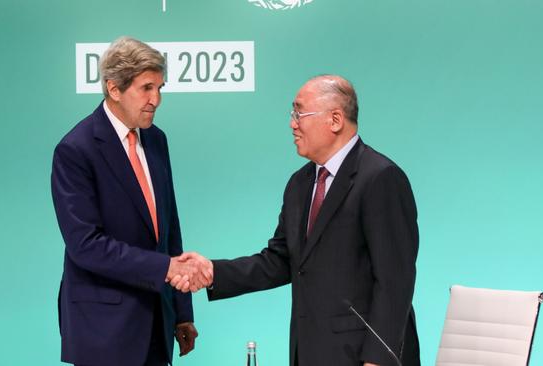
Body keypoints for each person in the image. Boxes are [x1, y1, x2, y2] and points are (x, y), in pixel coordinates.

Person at [176, 75, 420, 366]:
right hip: (310, 352)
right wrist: (212, 272)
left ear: (335, 120)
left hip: (364, 357)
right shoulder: (300, 183)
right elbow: (279, 261)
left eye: (299, 113)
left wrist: (378, 360)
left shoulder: (380, 178)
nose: (293, 123)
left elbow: (395, 281)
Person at [51, 36, 210, 366]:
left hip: (156, 323)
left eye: (160, 88)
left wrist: (181, 311)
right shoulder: (76, 150)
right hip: (103, 331)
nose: (157, 99)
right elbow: (86, 245)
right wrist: (165, 268)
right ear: (113, 88)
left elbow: (169, 231)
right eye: (147, 88)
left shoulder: (156, 140)